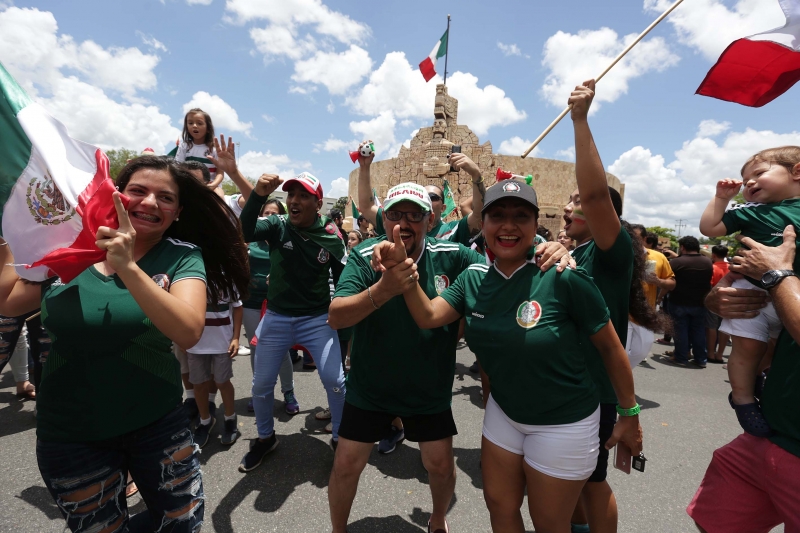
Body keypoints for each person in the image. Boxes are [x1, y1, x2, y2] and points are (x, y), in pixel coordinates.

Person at [0, 156, 249, 532]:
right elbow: (9, 301)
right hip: (70, 432)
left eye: (165, 198)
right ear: (115, 194)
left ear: (178, 212)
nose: (150, 202)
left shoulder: (182, 256)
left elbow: (188, 331)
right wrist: (12, 232)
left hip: (157, 424)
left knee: (182, 526)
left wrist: (128, 267)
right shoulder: (69, 246)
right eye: (138, 191)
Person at [398, 180, 642, 533]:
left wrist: (629, 412)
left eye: (520, 216)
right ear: (482, 224)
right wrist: (403, 273)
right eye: (497, 216)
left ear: (534, 225)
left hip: (565, 423)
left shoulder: (563, 276)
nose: (508, 226)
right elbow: (428, 316)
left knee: (548, 522)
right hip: (504, 414)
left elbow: (610, 347)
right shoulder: (473, 279)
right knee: (499, 506)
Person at [327, 183, 486, 533]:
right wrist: (383, 289)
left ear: (430, 220)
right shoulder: (365, 255)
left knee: (441, 464)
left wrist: (548, 251)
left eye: (414, 215)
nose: (404, 223)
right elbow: (336, 316)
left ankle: (438, 519)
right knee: (346, 464)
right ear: (384, 219)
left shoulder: (453, 255)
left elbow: (500, 271)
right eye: (396, 214)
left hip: (427, 387)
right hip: (371, 385)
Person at [688, 225, 800, 532]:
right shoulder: (784, 225)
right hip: (771, 433)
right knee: (715, 520)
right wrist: (719, 298)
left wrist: (776, 275)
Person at [239, 172, 347, 472]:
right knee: (261, 386)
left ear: (318, 203)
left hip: (317, 320)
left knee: (335, 382)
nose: (294, 201)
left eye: (303, 196)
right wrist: (258, 195)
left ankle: (339, 439)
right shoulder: (278, 225)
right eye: (291, 195)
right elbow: (244, 230)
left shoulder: (332, 236)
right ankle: (264, 438)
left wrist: (343, 319)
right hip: (276, 317)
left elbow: (344, 282)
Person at [699, 148, 800, 436]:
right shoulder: (748, 211)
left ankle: (760, 384)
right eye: (745, 180)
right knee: (748, 348)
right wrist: (721, 199)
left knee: (772, 352)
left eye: (759, 173)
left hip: (789, 297)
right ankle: (743, 399)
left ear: (797, 172)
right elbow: (710, 226)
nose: (749, 183)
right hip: (751, 295)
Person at [356, 140, 487, 247]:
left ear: (443, 207)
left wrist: (476, 175)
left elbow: (479, 216)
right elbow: (367, 207)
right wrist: (364, 167)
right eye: (423, 196)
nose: (427, 200)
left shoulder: (452, 231)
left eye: (433, 197)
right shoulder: (397, 223)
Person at [242, 199, 299, 416]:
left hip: (277, 305)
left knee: (281, 350)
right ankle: (260, 393)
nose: (267, 217)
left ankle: (289, 393)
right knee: (256, 349)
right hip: (251, 303)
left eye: (272, 213)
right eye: (264, 213)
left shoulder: (286, 239)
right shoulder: (249, 241)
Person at [186, 289, 243, 448]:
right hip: (195, 343)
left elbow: (238, 307)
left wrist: (236, 337)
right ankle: (205, 421)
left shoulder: (226, 278)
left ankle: (230, 418)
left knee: (222, 381)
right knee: (198, 384)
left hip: (222, 342)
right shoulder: (192, 278)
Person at [627, 227, 675, 367]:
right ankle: (617, 384)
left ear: (644, 239)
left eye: (635, 237)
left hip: (644, 313)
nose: (632, 241)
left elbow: (672, 283)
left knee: (641, 352)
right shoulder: (619, 254)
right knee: (619, 353)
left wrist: (658, 282)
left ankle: (621, 376)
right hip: (621, 312)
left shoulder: (658, 257)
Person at [667, 236, 713, 367]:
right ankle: (701, 359)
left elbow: (669, 281)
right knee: (698, 331)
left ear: (682, 247)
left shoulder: (676, 262)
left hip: (679, 301)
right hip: (700, 302)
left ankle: (681, 357)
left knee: (680, 329)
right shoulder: (707, 262)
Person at [175, 108, 224, 191]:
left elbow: (220, 173)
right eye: (190, 123)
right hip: (189, 184)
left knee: (220, 196)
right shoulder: (184, 146)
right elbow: (177, 168)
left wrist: (212, 186)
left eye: (199, 123)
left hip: (211, 185)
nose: (194, 125)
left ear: (208, 128)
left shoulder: (215, 149)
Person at [706, 245, 730, 364]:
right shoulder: (732, 268)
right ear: (726, 255)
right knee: (725, 328)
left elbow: (710, 285)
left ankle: (710, 353)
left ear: (713, 255)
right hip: (729, 300)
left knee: (712, 326)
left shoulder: (712, 268)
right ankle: (720, 354)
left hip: (715, 300)